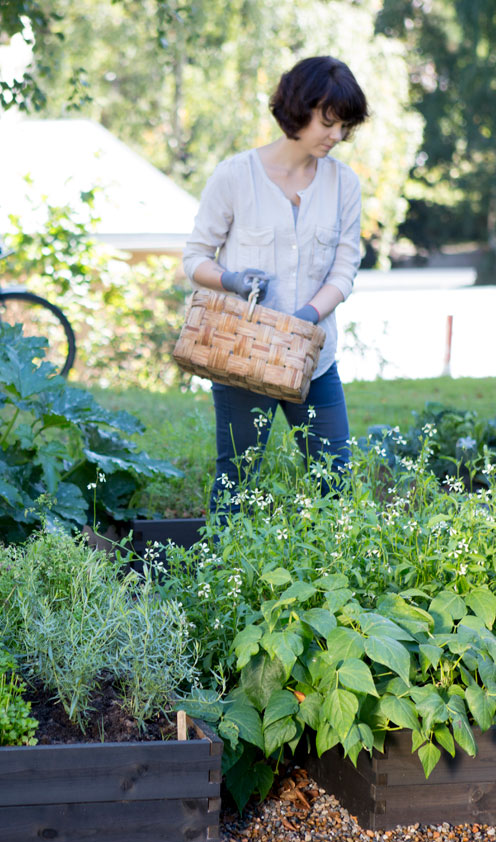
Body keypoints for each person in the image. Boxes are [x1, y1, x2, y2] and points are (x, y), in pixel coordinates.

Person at [182, 55, 370, 517]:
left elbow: (345, 269)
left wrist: (307, 318)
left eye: (344, 125)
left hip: (314, 360)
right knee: (237, 478)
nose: (336, 136)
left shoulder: (344, 184)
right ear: (297, 108)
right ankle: (217, 578)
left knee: (334, 478)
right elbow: (194, 258)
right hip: (244, 356)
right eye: (328, 122)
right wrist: (230, 278)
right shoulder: (235, 176)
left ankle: (338, 580)